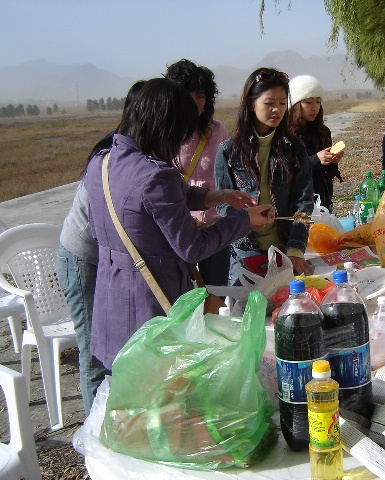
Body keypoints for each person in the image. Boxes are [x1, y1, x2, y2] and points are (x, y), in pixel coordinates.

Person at [84, 78, 272, 369]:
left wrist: (216, 196)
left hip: (111, 300)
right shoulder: (156, 175)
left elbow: (155, 202)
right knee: (160, 397)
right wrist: (243, 220)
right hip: (150, 305)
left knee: (127, 395)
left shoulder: (102, 161)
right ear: (166, 127)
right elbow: (192, 248)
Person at [57, 80, 145, 414]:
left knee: (113, 344)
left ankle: (117, 421)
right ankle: (94, 435)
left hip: (108, 258)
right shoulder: (113, 154)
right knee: (94, 347)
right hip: (83, 258)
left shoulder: (141, 151)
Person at [214, 68, 315, 284]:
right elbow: (222, 206)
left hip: (284, 250)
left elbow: (304, 201)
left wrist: (297, 248)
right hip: (244, 252)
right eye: (269, 103)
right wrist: (246, 220)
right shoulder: (228, 151)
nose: (277, 110)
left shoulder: (295, 149)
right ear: (252, 104)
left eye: (282, 103)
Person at [166, 59, 231, 286]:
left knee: (215, 294)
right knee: (182, 298)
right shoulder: (165, 134)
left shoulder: (217, 131)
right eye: (188, 96)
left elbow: (229, 173)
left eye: (200, 96)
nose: (194, 103)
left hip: (215, 228)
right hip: (179, 230)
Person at [288, 74, 343, 212]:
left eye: (318, 102)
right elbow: (288, 173)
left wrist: (333, 161)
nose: (314, 107)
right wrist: (315, 160)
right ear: (295, 104)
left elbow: (327, 175)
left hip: (323, 203)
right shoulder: (287, 136)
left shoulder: (323, 132)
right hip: (299, 205)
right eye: (308, 102)